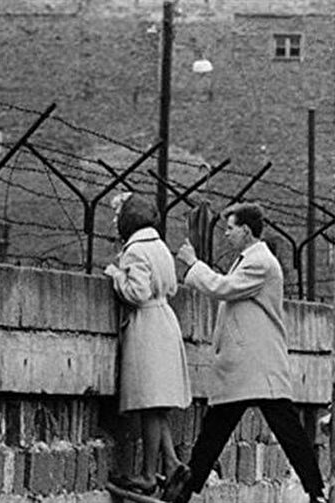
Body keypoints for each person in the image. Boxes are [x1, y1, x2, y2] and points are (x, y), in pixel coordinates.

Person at [165, 202, 326, 503]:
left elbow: (223, 288)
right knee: (217, 429)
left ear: (247, 231)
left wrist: (193, 264)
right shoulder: (249, 259)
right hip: (248, 364)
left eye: (230, 228)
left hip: (257, 364)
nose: (226, 234)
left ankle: (316, 491)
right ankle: (185, 491)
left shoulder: (259, 262)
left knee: (283, 430)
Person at [103, 193, 192, 495]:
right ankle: (172, 463)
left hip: (147, 326)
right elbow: (173, 286)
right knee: (158, 404)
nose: (114, 222)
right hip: (165, 320)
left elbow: (137, 292)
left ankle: (148, 475)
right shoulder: (160, 247)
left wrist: (116, 275)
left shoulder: (135, 252)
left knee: (149, 403)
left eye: (117, 216)